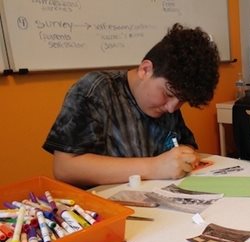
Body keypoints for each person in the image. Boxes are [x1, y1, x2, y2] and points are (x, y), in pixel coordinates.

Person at [43, 23, 220, 188]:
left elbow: (185, 145)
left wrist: (184, 155)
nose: (172, 108)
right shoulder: (96, 90)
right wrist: (153, 167)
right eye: (168, 94)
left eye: (181, 101)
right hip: (105, 209)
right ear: (145, 70)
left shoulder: (167, 104)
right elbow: (64, 168)